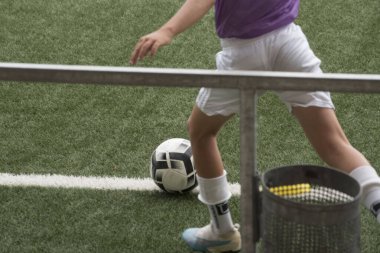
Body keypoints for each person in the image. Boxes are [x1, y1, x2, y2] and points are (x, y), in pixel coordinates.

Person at [130, 0, 380, 252]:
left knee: (201, 131)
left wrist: (168, 30)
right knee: (334, 144)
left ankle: (222, 230)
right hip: (289, 44)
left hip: (243, 53)